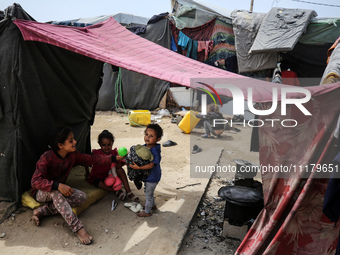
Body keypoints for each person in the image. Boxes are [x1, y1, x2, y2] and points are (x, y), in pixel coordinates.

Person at [30, 127, 120, 245]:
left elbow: (93, 159)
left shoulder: (73, 155)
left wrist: (113, 158)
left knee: (81, 197)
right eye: (71, 140)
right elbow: (35, 181)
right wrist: (57, 185)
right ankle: (78, 229)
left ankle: (42, 211)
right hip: (41, 191)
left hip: (60, 190)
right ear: (60, 145)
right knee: (55, 192)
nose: (75, 142)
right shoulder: (47, 157)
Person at [85, 130, 139, 202]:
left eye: (109, 145)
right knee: (99, 184)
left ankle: (129, 192)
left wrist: (123, 160)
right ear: (99, 144)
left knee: (120, 171)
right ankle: (116, 191)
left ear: (112, 143)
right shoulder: (96, 153)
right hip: (98, 177)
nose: (106, 147)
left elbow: (119, 166)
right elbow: (86, 161)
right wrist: (88, 173)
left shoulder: (115, 153)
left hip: (110, 175)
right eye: (104, 145)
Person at [129, 123, 163, 217]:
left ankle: (147, 212)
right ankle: (152, 206)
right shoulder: (145, 147)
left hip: (153, 177)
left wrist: (138, 168)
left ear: (158, 139)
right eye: (146, 134)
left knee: (148, 194)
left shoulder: (155, 151)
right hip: (148, 177)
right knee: (149, 192)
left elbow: (151, 165)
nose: (147, 137)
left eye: (151, 136)